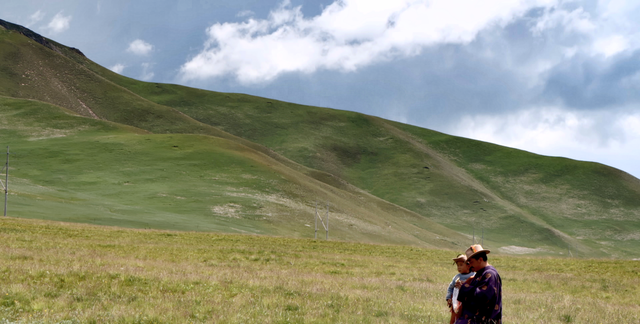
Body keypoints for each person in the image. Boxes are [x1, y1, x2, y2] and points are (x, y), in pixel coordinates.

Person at [455, 244, 502, 324]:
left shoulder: (490, 274)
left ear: (480, 259)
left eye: (471, 262)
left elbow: (484, 296)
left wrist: (464, 287)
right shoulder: (480, 273)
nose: (469, 265)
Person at [446, 254, 475, 324]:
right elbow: (450, 288)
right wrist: (448, 298)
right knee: (454, 319)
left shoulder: (473, 276)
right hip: (456, 303)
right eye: (458, 265)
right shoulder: (456, 277)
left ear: (468, 265)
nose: (459, 267)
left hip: (468, 303)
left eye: (461, 265)